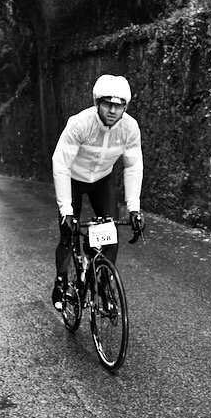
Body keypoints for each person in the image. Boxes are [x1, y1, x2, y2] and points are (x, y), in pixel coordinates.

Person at [50, 74, 145, 310]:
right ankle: (61, 281)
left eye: (119, 105)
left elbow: (134, 166)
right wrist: (66, 211)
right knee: (68, 234)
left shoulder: (130, 128)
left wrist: (134, 208)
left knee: (110, 232)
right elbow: (60, 164)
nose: (113, 110)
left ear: (125, 106)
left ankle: (101, 282)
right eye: (107, 104)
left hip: (101, 179)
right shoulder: (80, 124)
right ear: (97, 103)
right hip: (73, 178)